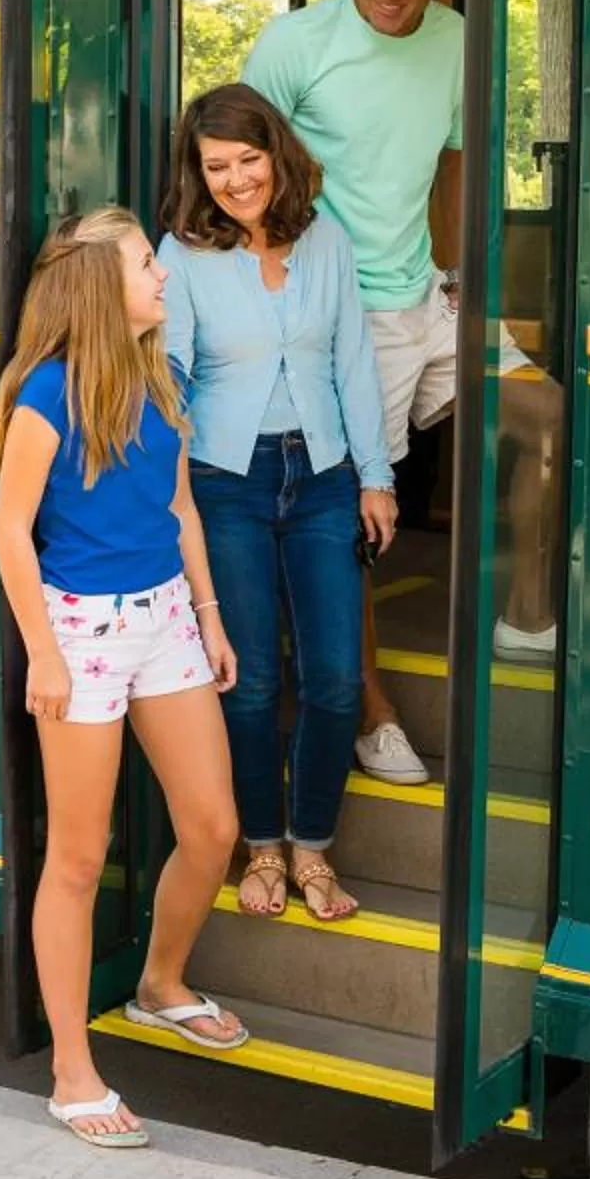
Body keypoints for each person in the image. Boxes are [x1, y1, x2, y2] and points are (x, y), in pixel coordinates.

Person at [0, 205, 248, 1150]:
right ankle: (71, 1070)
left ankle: (159, 985)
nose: (164, 276)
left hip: (167, 618)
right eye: (148, 263)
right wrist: (46, 656)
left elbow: (180, 507)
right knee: (80, 856)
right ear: (105, 288)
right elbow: (11, 532)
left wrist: (209, 619)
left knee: (214, 825)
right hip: (84, 631)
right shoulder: (46, 397)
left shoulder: (158, 381)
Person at [239, 0, 466, 782]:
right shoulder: (297, 43)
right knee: (353, 514)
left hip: (427, 297)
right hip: (342, 309)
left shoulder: (455, 40)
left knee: (543, 423)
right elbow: (236, 171)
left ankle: (530, 627)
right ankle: (371, 709)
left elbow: (453, 160)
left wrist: (463, 278)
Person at [157, 85, 390, 922]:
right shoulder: (180, 254)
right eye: (215, 167)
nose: (233, 180)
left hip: (323, 473)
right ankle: (261, 845)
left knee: (332, 679)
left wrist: (375, 475)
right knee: (249, 680)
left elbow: (354, 361)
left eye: (247, 161)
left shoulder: (326, 239)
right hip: (227, 480)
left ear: (276, 156)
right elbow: (172, 366)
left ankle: (313, 851)